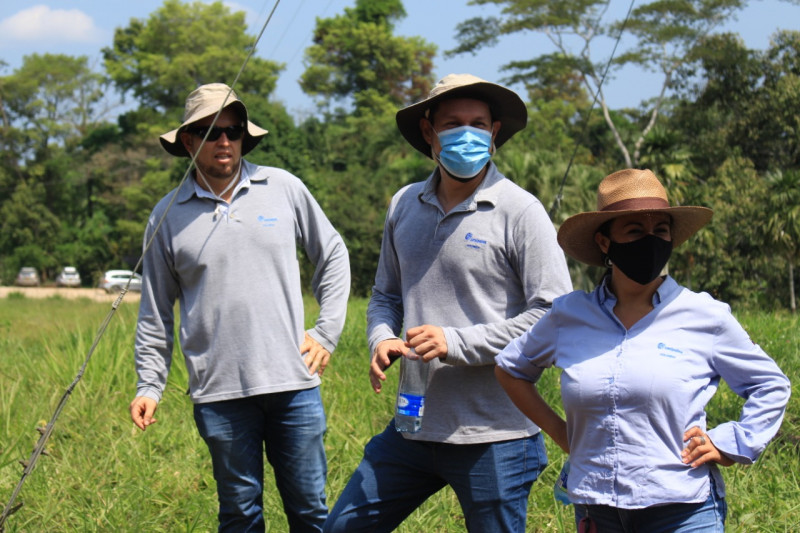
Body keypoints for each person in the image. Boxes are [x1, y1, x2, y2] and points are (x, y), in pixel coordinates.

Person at [324, 74, 573, 533]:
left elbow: (553, 316)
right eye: (452, 123)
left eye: (478, 124)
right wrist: (381, 337)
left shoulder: (520, 211)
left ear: (495, 133)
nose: (466, 134)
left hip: (495, 435)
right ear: (428, 132)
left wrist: (455, 342)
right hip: (413, 424)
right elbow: (385, 295)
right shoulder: (403, 205)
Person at [495, 168, 791, 532]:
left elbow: (770, 385)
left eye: (660, 231)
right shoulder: (569, 315)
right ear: (605, 242)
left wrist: (731, 443)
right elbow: (511, 370)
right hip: (596, 507)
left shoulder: (703, 315)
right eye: (635, 231)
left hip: (682, 509)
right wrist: (561, 433)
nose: (650, 241)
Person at [129, 83, 351, 532]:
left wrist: (326, 332)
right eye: (212, 131)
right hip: (219, 394)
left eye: (233, 130)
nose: (225, 141)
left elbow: (333, 254)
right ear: (189, 141)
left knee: (310, 511)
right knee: (240, 514)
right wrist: (149, 385)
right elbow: (154, 311)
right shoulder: (167, 215)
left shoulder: (283, 188)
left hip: (294, 385)